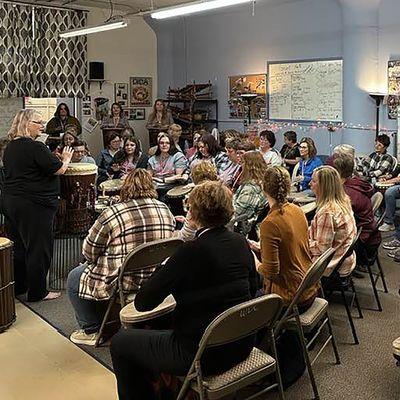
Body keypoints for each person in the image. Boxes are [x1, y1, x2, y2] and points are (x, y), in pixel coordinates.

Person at [110, 180, 258, 400]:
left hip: (201, 354)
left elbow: (143, 303)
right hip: (242, 343)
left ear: (193, 214)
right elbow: (253, 288)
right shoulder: (240, 242)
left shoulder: (189, 252)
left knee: (121, 342)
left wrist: (165, 266)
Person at [67, 169, 175, 345]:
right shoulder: (164, 209)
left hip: (124, 281)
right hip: (156, 278)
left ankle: (92, 330)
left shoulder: (113, 213)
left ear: (125, 188)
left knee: (74, 277)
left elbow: (88, 251)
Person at [3, 109, 73, 301]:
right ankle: (38, 292)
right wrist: (66, 159)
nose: (43, 126)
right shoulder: (35, 147)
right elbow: (59, 169)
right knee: (38, 248)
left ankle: (20, 287)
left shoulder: (10, 147)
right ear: (27, 124)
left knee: (19, 247)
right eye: (39, 122)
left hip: (11, 202)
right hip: (34, 205)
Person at [250, 166, 317, 309]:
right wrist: (259, 246)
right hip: (308, 288)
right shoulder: (297, 210)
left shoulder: (269, 223)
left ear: (263, 187)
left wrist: (253, 260)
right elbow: (290, 249)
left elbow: (270, 272)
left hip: (290, 298)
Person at [333, 154, 381, 270]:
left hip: (362, 244)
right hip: (371, 237)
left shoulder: (347, 194)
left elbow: (337, 220)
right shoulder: (357, 184)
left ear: (337, 172)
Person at [309, 166, 357, 277]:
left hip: (331, 265)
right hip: (344, 258)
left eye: (314, 181)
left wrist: (300, 244)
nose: (310, 184)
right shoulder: (343, 200)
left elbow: (322, 249)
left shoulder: (327, 212)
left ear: (324, 187)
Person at [233, 151, 268, 223]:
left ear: (249, 166)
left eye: (243, 163)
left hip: (242, 228)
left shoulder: (251, 188)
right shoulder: (261, 182)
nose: (241, 166)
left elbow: (237, 214)